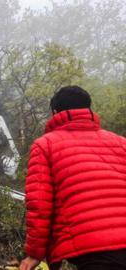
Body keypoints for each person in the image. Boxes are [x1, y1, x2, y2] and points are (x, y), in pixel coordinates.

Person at [20, 86, 126, 270]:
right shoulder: (121, 143)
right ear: (88, 109)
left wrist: (34, 254)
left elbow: (40, 204)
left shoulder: (45, 145)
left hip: (94, 248)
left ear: (55, 112)